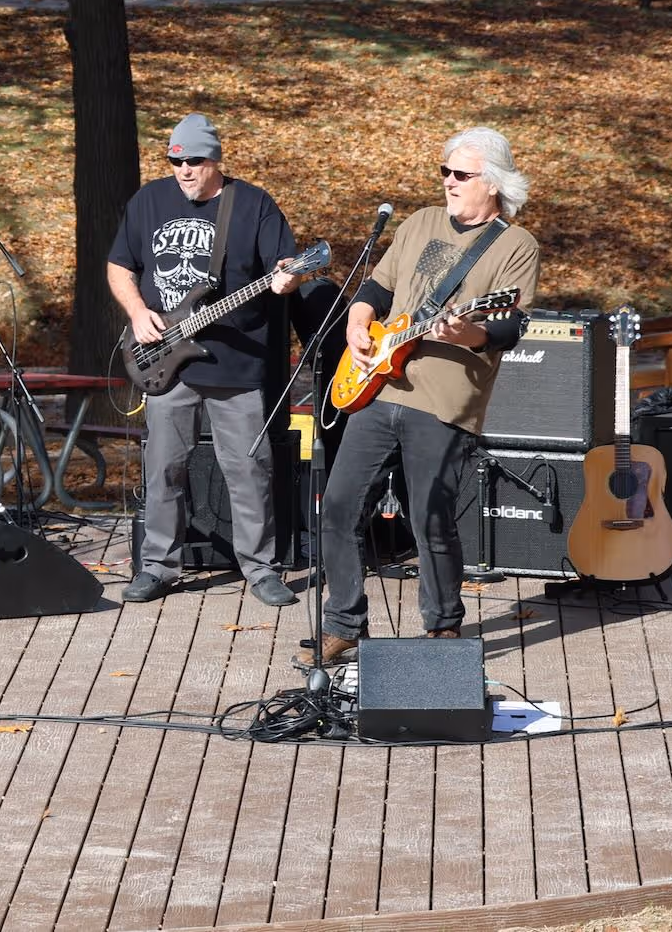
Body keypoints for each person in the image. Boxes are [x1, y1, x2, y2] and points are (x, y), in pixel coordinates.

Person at [302, 127, 540, 666]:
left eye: (462, 174)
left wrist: (467, 333)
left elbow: (508, 328)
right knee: (338, 506)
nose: (449, 182)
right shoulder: (419, 223)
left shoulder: (515, 246)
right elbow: (376, 288)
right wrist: (358, 325)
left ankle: (442, 628)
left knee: (429, 514)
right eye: (445, 171)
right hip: (378, 387)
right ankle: (344, 624)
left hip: (444, 402)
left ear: (495, 184)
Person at [108, 113, 303, 608]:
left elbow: (284, 268)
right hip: (165, 360)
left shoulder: (253, 204)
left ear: (216, 161)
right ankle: (156, 565)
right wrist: (137, 313)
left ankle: (261, 569)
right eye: (176, 161)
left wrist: (288, 279)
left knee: (248, 468)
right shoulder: (149, 200)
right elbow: (118, 265)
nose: (184, 170)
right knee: (164, 467)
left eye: (194, 161)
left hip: (235, 365)